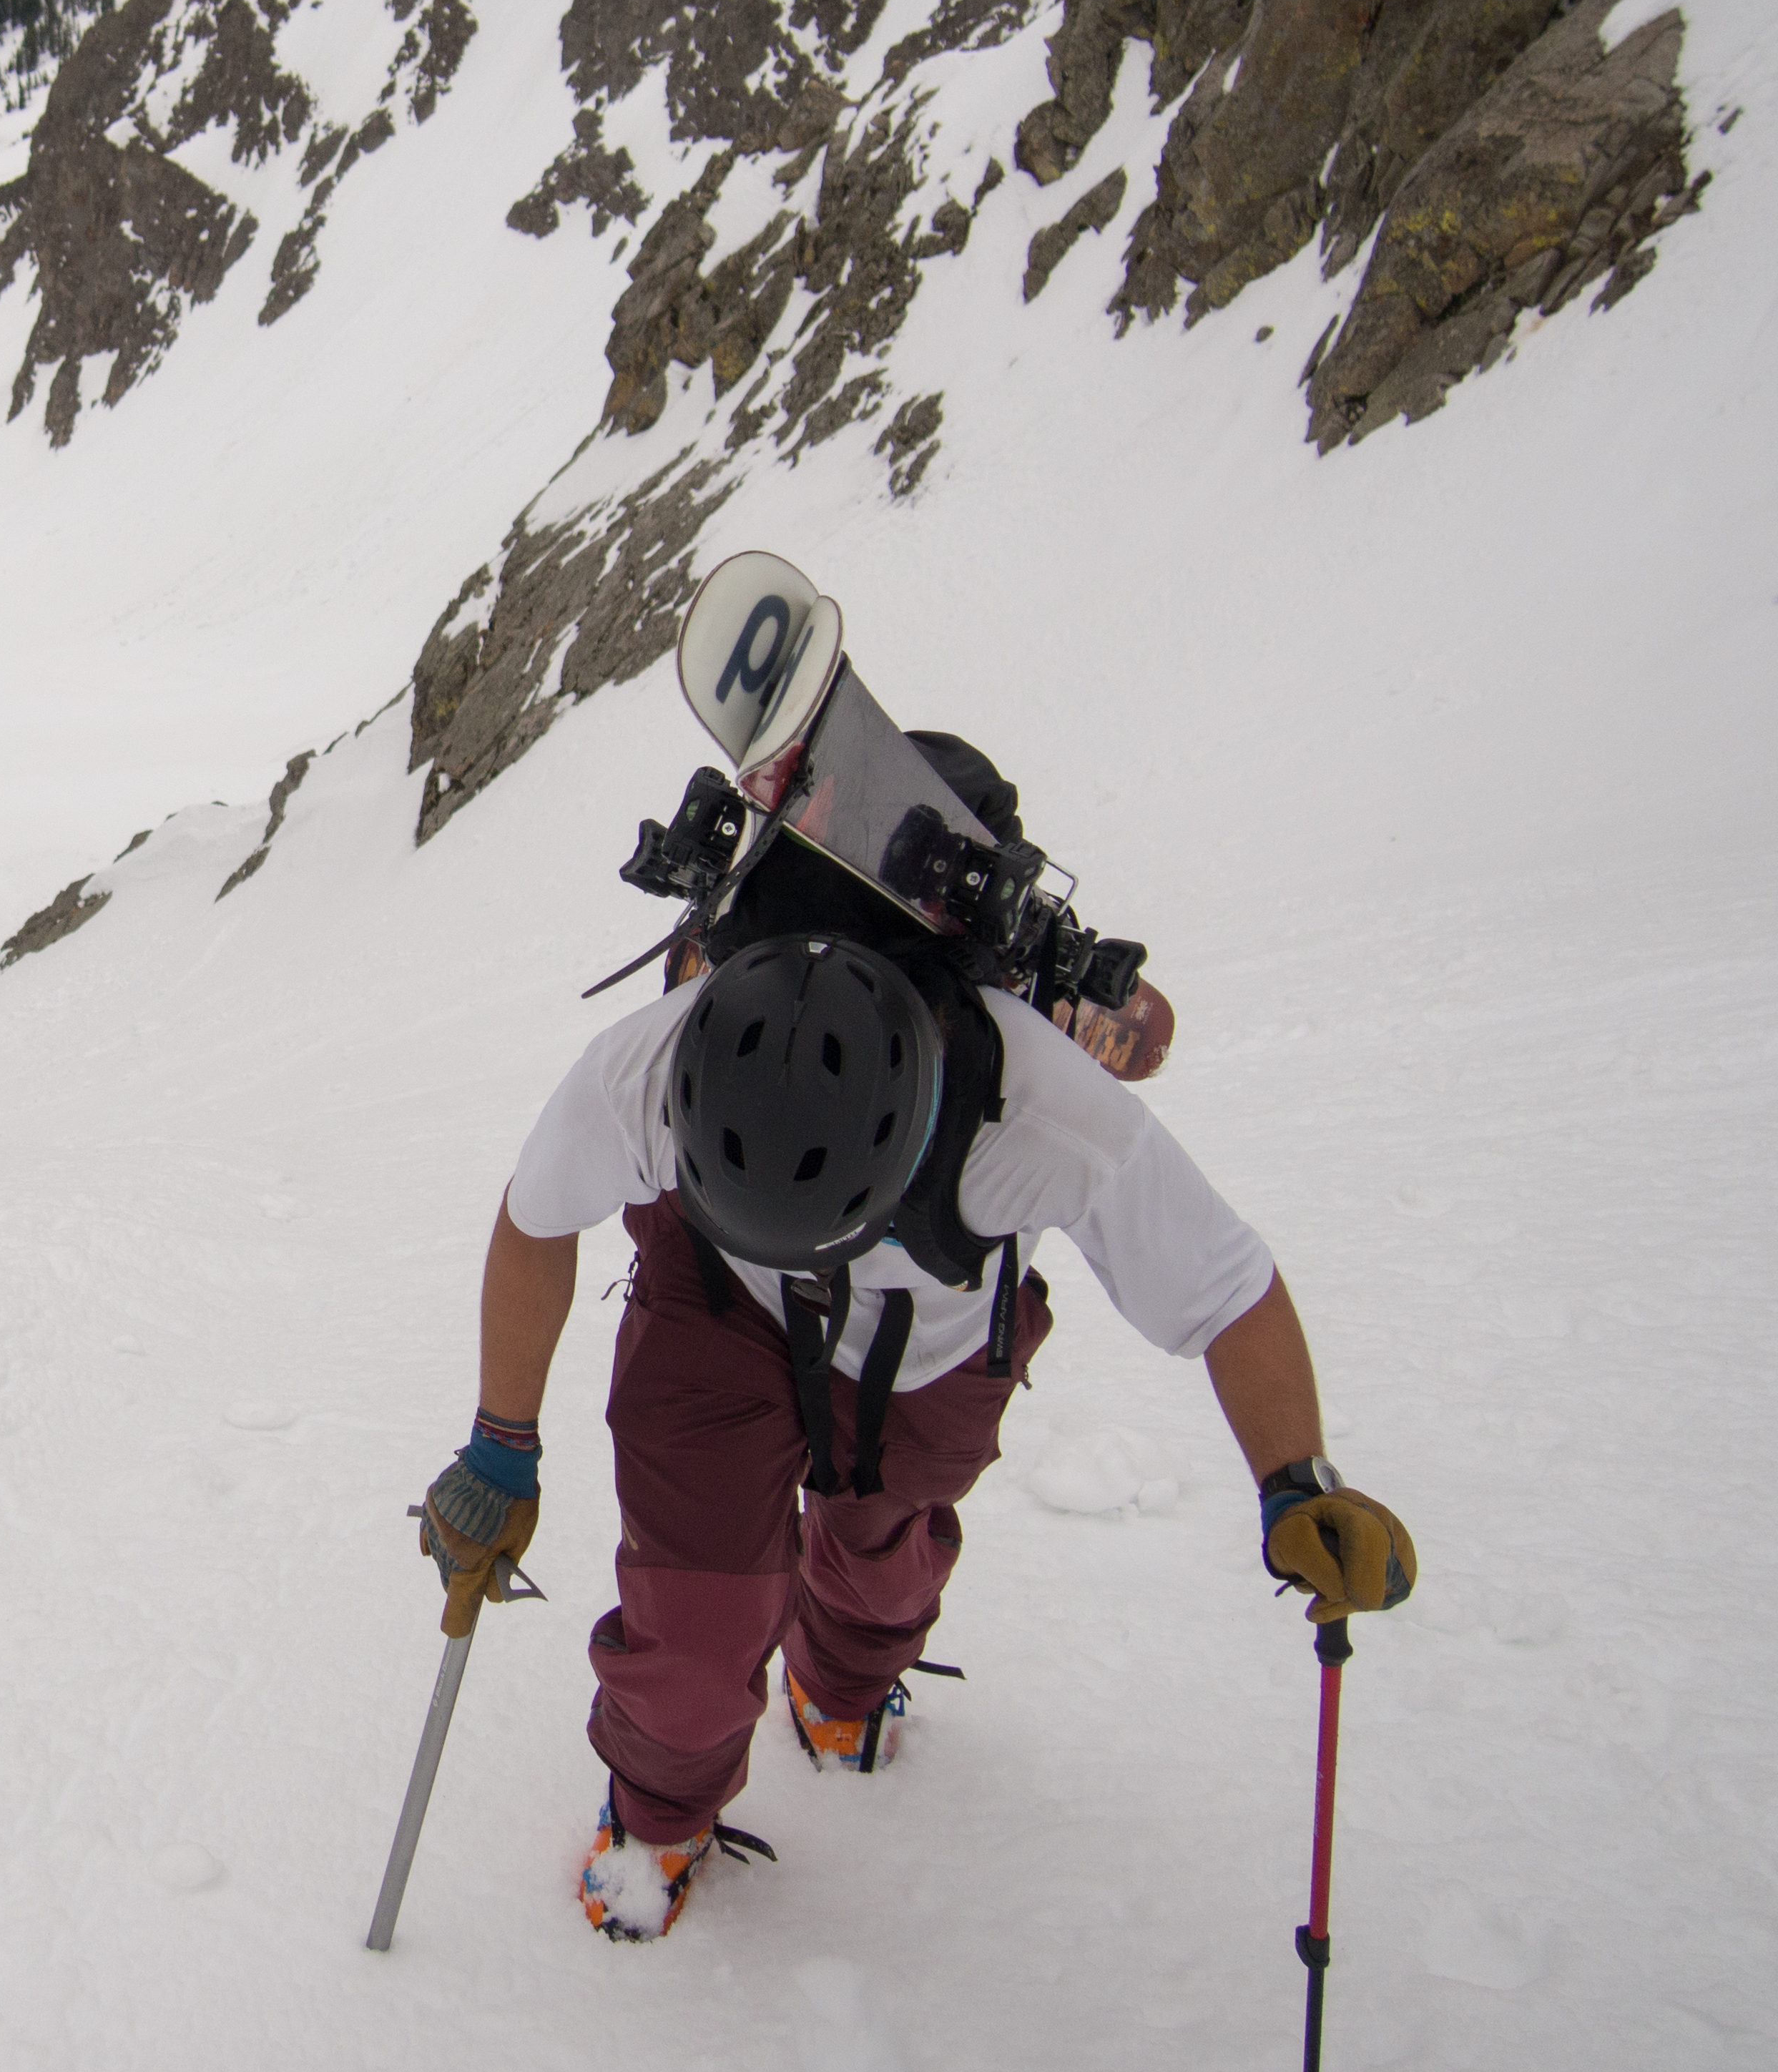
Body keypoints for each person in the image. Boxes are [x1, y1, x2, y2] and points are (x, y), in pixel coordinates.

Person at [417, 780, 1417, 1943]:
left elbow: (1228, 1292)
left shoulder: (1048, 1114)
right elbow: (535, 1222)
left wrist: (1297, 1478)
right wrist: (503, 1443)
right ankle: (661, 1812)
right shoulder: (643, 1070)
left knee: (884, 1557)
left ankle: (841, 1683)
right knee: (693, 1607)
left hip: (933, 1345)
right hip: (716, 1304)